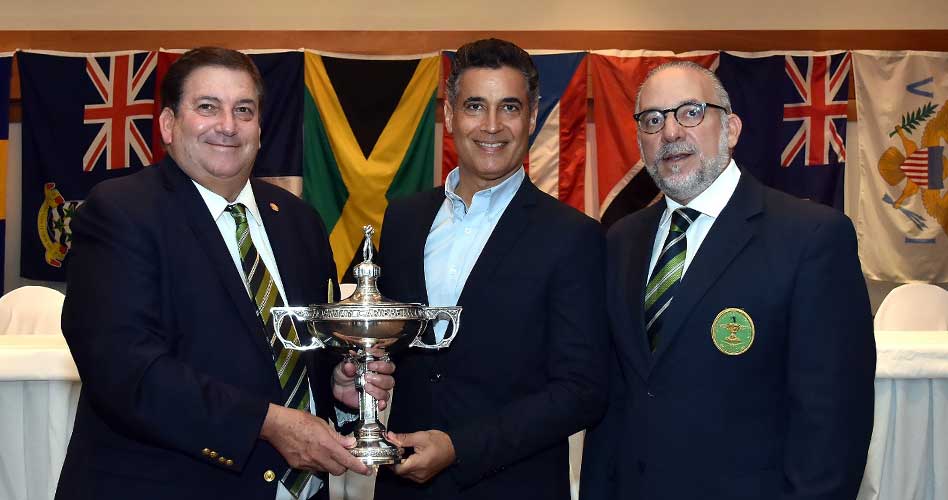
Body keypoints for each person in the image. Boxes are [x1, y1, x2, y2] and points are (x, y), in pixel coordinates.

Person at [56, 47, 393, 500]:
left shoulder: (299, 222)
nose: (228, 126)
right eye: (207, 107)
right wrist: (269, 423)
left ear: (260, 128)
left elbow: (304, 354)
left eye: (244, 110)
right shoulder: (120, 212)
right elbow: (125, 370)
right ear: (169, 125)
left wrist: (338, 387)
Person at [580, 61, 876, 500]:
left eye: (692, 112)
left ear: (732, 128)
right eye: (653, 119)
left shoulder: (811, 237)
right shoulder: (622, 239)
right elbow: (620, 400)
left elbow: (833, 423)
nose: (671, 132)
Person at [373, 38, 608, 499]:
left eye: (510, 107)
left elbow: (583, 390)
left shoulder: (573, 236)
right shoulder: (402, 219)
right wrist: (360, 371)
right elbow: (392, 346)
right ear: (450, 115)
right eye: (475, 106)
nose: (492, 126)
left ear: (533, 116)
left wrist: (459, 447)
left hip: (513, 485)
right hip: (403, 487)